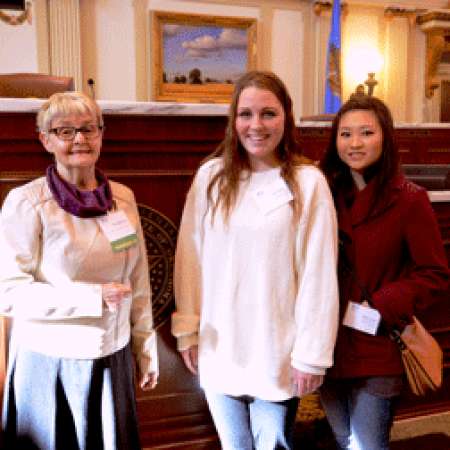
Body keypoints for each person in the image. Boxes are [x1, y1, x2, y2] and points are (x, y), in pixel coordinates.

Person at [171, 70, 339, 450]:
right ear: (233, 120)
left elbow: (319, 275)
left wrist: (311, 355)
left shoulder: (307, 182)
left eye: (268, 113)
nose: (256, 125)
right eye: (246, 114)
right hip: (220, 342)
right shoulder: (211, 177)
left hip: (277, 348)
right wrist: (187, 329)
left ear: (286, 117)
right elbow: (190, 258)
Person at [0, 92, 158, 450]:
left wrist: (144, 348)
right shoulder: (26, 203)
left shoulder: (123, 198)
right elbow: (9, 292)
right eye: (65, 131)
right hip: (49, 362)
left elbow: (138, 278)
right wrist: (91, 298)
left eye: (88, 129)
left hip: (111, 355)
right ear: (46, 139)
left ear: (102, 134)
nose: (80, 140)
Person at [319, 95, 449, 450]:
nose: (355, 143)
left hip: (378, 346)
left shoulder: (409, 200)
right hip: (327, 345)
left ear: (385, 137)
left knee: (367, 446)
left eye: (365, 132)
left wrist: (381, 305)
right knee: (345, 441)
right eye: (345, 134)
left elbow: (434, 273)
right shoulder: (324, 196)